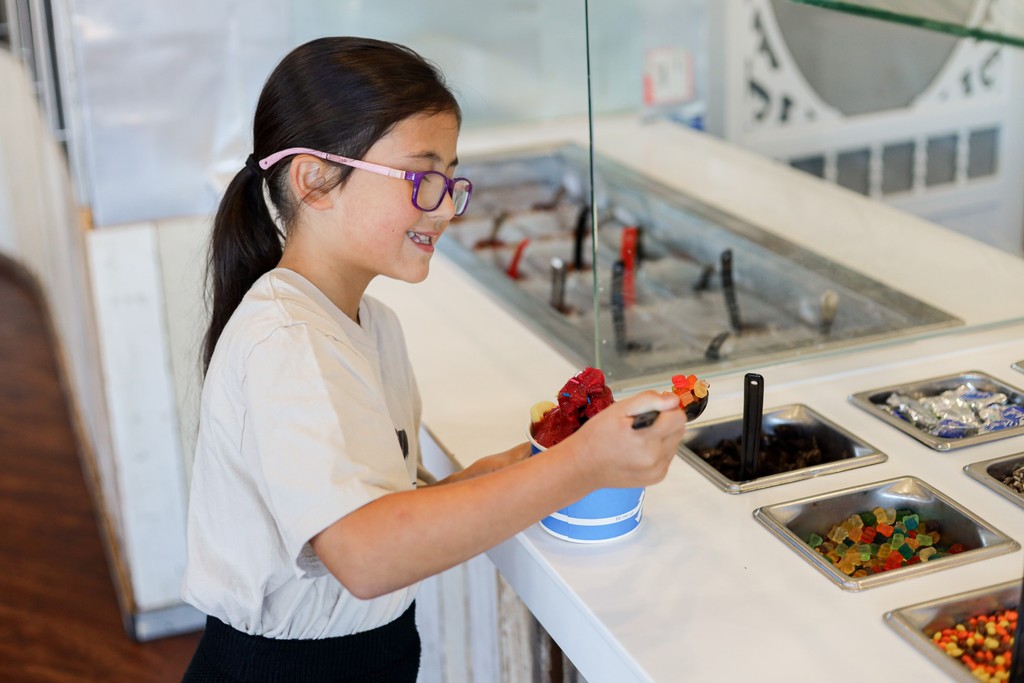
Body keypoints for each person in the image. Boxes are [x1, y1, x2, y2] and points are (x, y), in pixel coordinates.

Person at [181, 36, 688, 683]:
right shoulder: (283, 339)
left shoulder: (374, 326)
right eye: (422, 178)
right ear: (314, 179)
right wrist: (582, 467)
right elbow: (366, 554)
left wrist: (538, 459)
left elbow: (390, 509)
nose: (446, 206)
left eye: (451, 180)